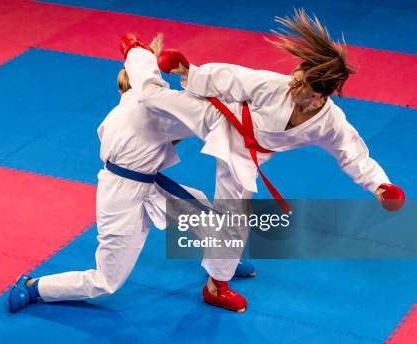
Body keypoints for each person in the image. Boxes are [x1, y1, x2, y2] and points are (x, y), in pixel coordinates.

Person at [121, 9, 404, 312]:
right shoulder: (275, 85)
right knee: (151, 98)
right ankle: (135, 52)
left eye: (303, 87)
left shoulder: (330, 123)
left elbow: (352, 153)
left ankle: (217, 282)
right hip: (219, 117)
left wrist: (379, 185)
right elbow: (232, 79)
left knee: (233, 218)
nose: (294, 85)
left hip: (240, 155)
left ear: (321, 97)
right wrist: (189, 71)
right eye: (298, 77)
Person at [7, 35, 253, 314]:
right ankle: (33, 286)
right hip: (121, 197)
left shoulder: (124, 107)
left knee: (211, 219)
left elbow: (160, 137)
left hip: (149, 184)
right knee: (107, 280)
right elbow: (202, 120)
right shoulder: (153, 108)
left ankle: (222, 265)